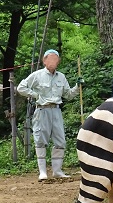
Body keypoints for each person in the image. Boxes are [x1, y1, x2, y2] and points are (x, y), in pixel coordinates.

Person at [17, 49, 84, 181]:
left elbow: (68, 95)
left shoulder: (61, 77)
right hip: (42, 110)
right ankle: (42, 172)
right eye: (50, 59)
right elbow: (21, 87)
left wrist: (77, 86)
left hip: (57, 111)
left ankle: (57, 171)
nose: (53, 61)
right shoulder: (37, 75)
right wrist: (35, 95)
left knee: (60, 141)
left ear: (58, 61)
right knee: (41, 140)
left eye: (56, 59)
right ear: (45, 60)